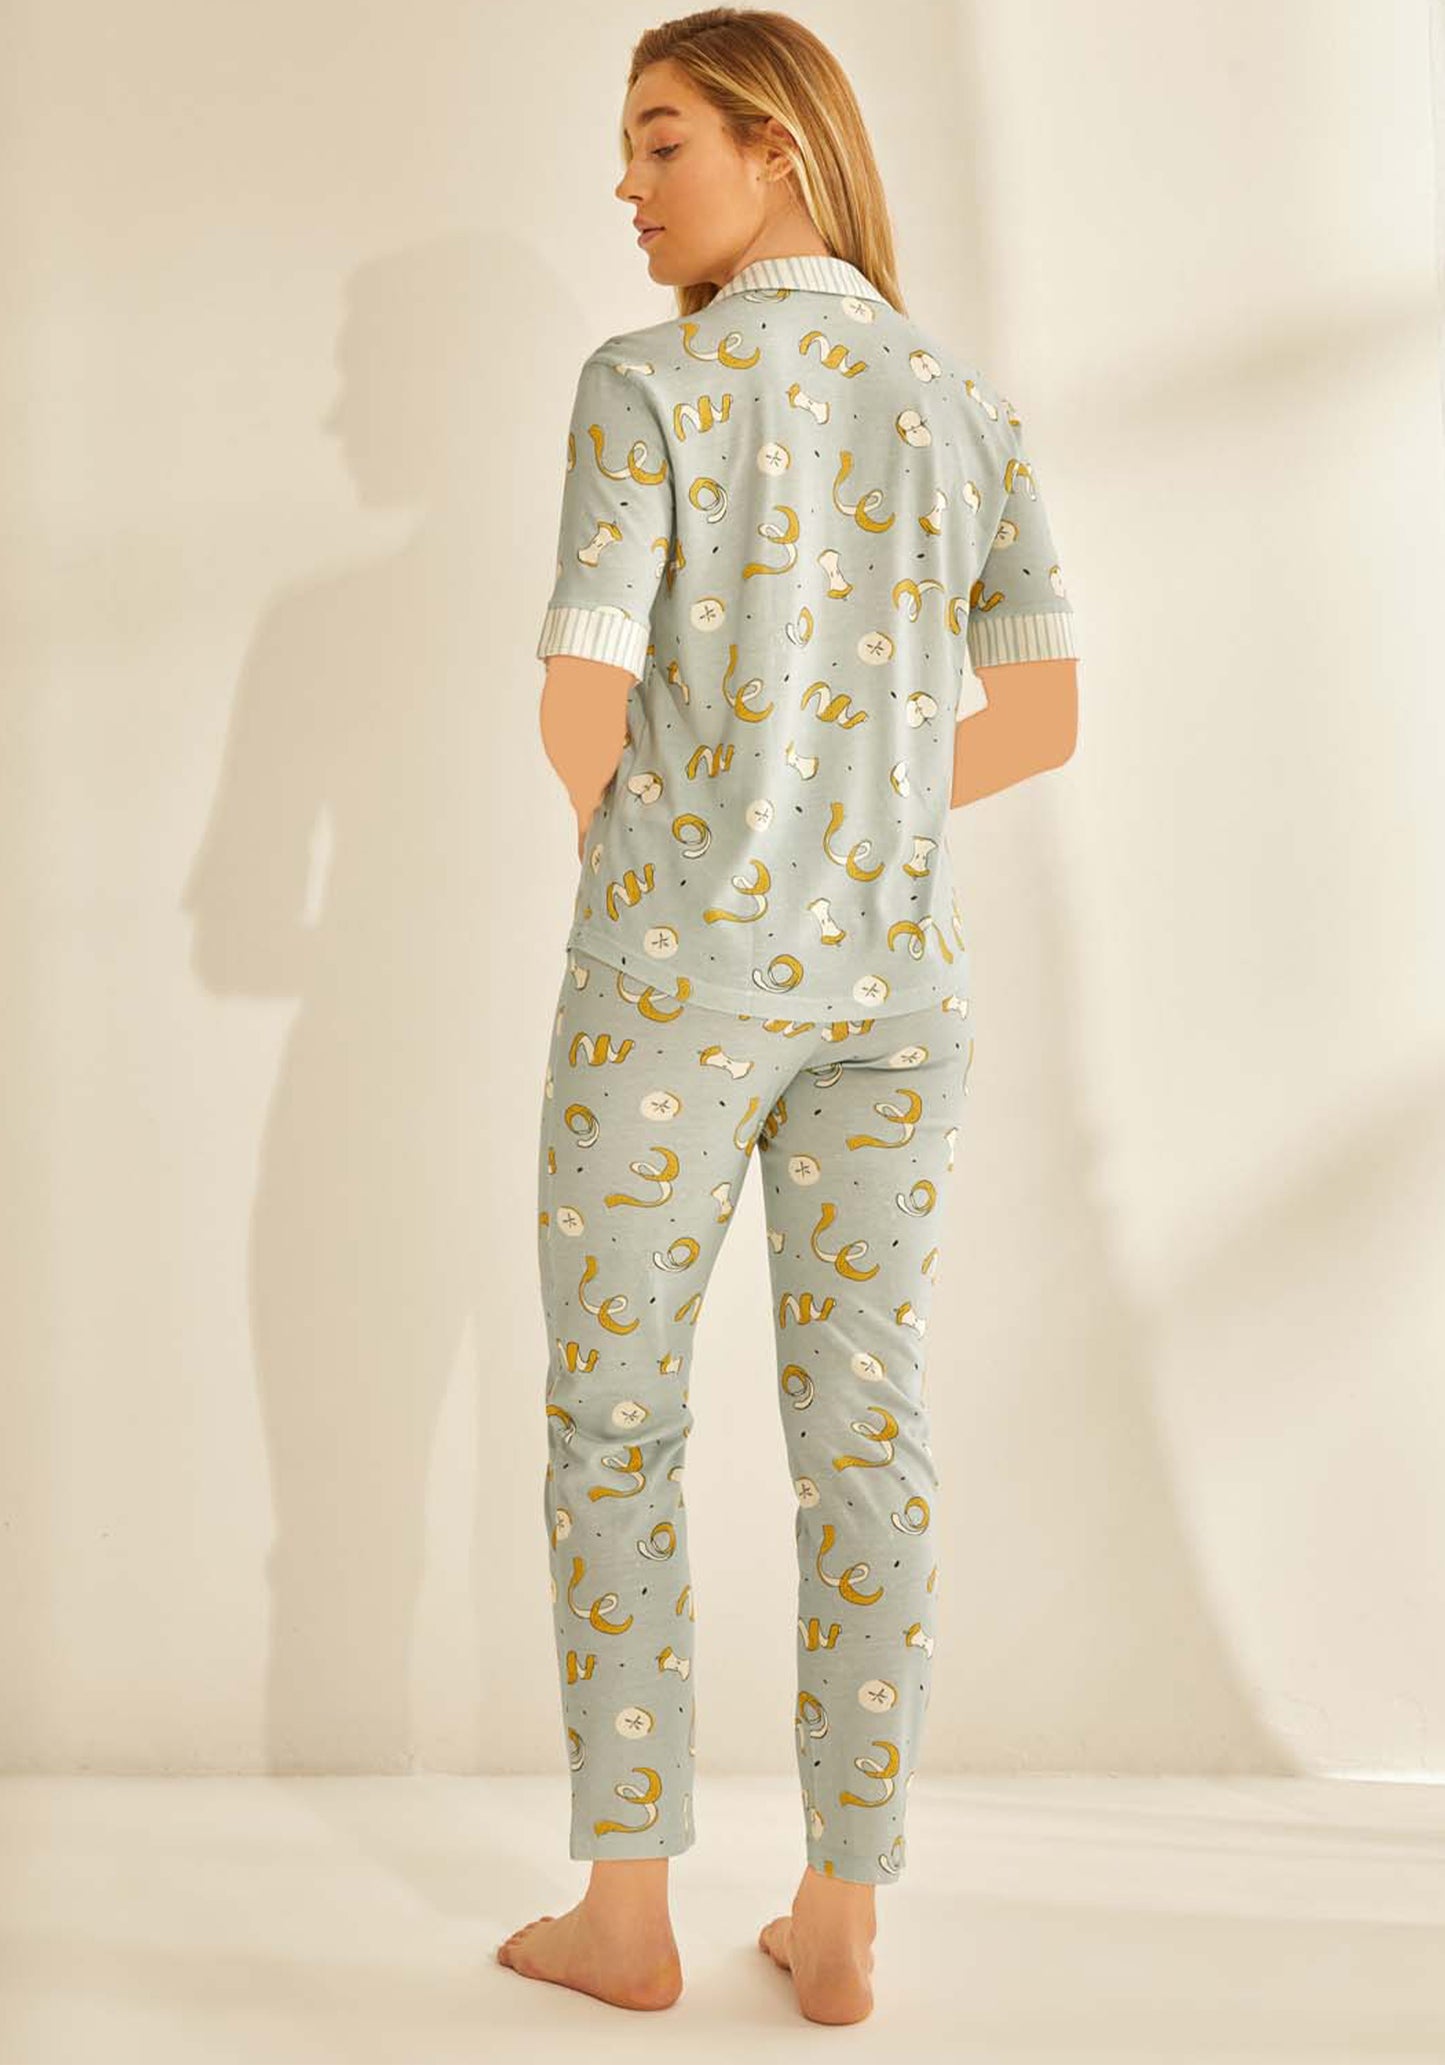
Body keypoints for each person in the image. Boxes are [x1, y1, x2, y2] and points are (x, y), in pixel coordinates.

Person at [498, 6, 1079, 2024]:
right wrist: (854, 814)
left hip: (668, 986)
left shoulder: (648, 385)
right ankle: (841, 1914)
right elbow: (1044, 713)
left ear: (776, 145)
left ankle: (628, 1911)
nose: (628, 186)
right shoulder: (963, 404)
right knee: (867, 1433)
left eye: (661, 142)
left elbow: (577, 699)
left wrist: (670, 851)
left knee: (613, 1423)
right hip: (897, 991)